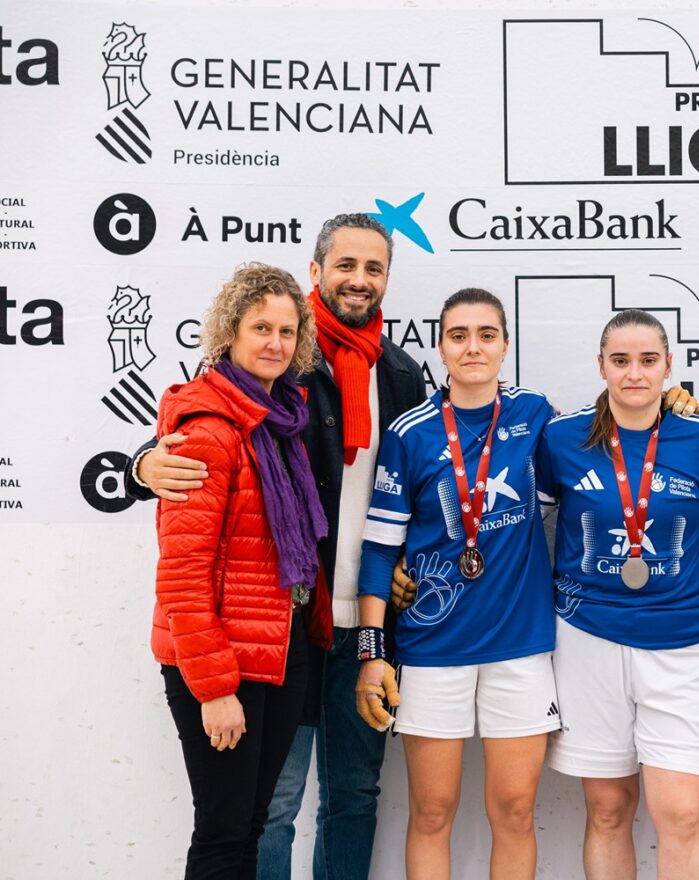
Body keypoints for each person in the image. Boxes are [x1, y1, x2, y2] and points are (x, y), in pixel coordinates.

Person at [130, 214, 427, 880]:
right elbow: (196, 420)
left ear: (387, 279)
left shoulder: (404, 376)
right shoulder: (284, 370)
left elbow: (425, 481)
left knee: (352, 796)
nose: (359, 279)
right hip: (287, 624)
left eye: (373, 267)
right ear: (317, 271)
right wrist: (143, 461)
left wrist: (408, 557)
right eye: (344, 264)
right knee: (272, 804)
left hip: (366, 621)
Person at [353, 288, 558, 880]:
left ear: (505, 345)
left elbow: (612, 432)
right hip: (433, 646)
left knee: (515, 812)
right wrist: (372, 651)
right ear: (440, 346)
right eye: (459, 335)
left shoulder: (535, 413)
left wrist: (676, 403)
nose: (473, 347)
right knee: (433, 812)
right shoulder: (409, 432)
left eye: (486, 335)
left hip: (519, 648)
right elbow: (378, 549)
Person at [535, 309, 699, 880]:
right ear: (601, 366)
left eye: (648, 361)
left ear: (669, 366)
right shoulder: (562, 438)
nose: (634, 374)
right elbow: (525, 529)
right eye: (620, 361)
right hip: (587, 640)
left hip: (682, 645)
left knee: (679, 814)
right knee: (608, 809)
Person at [153, 263, 328, 878]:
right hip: (223, 659)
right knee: (224, 835)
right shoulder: (210, 429)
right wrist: (214, 685)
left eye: (287, 331)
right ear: (230, 332)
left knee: (250, 826)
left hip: (279, 646)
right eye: (261, 327)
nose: (275, 343)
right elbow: (182, 573)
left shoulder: (280, 420)